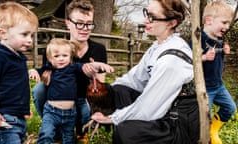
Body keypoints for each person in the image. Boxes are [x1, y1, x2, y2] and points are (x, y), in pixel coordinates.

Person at [91, 0, 200, 143]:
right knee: (120, 90)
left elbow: (149, 107)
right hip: (163, 108)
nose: (145, 20)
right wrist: (107, 91)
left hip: (178, 121)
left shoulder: (171, 60)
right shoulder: (158, 46)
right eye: (146, 14)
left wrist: (114, 118)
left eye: (152, 17)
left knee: (126, 131)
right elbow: (135, 79)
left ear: (171, 23)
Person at [30, 0, 108, 142]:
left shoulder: (98, 50)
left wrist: (94, 78)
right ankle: (54, 129)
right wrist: (45, 78)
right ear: (68, 23)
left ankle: (81, 131)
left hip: (83, 99)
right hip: (61, 98)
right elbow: (46, 77)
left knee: (88, 105)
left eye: (89, 23)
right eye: (79, 23)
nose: (85, 28)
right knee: (38, 90)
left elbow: (100, 86)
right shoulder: (55, 49)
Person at [29, 38, 113, 144]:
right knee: (46, 134)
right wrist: (33, 71)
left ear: (70, 57)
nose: (61, 59)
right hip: (51, 112)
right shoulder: (49, 68)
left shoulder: (73, 67)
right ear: (50, 59)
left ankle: (80, 134)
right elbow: (37, 70)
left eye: (65, 56)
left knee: (68, 138)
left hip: (70, 113)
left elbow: (88, 66)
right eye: (56, 56)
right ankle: (55, 137)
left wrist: (100, 65)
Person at [193, 1, 236, 144]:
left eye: (228, 23)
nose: (226, 27)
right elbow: (188, 60)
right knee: (205, 118)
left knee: (230, 108)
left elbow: (219, 57)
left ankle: (214, 130)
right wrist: (203, 57)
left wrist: (225, 50)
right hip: (205, 89)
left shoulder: (219, 39)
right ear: (208, 20)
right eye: (224, 22)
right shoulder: (198, 39)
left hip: (219, 86)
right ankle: (205, 137)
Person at [0, 1, 38, 144]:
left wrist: (23, 108)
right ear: (3, 34)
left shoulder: (18, 57)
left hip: (17, 120)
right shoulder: (0, 56)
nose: (29, 40)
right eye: (25, 34)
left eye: (32, 35)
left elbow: (15, 87)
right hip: (4, 122)